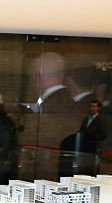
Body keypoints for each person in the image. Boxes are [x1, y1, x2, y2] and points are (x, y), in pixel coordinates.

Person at [21, 51, 81, 180]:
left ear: (37, 76)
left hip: (44, 179)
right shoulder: (72, 103)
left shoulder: (48, 109)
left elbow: (33, 152)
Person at [72, 99, 108, 176]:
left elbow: (104, 134)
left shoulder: (101, 120)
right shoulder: (86, 119)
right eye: (90, 106)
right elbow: (82, 131)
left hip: (94, 148)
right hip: (84, 148)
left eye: (94, 106)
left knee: (92, 169)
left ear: (98, 108)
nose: (91, 108)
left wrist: (91, 137)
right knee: (83, 167)